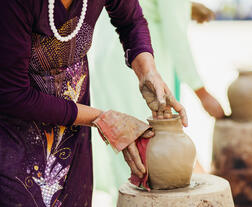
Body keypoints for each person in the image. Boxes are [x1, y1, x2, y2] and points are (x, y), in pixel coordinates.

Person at [0, 0, 187, 206]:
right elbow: (12, 94)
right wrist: (100, 118)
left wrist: (147, 71)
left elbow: (131, 21)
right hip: (14, 135)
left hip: (72, 132)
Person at [89, 0, 225, 204]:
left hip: (107, 56)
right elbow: (177, 38)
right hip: (133, 69)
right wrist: (201, 91)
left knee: (128, 154)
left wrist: (187, 7)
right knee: (142, 154)